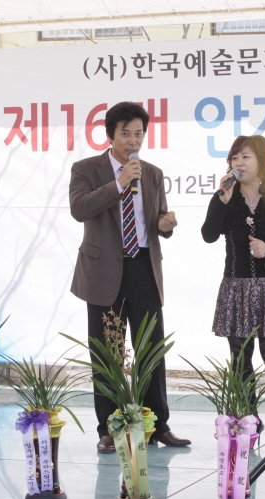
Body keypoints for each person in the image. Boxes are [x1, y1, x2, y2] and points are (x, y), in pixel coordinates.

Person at [69, 101, 190, 452]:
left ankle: (158, 426)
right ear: (110, 135)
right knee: (107, 353)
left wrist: (165, 224)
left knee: (151, 349)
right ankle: (109, 428)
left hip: (142, 267)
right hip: (103, 271)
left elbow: (157, 219)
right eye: (126, 133)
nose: (133, 141)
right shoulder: (86, 169)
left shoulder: (152, 173)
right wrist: (118, 183)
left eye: (139, 133)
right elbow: (80, 209)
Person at [201, 135, 265, 449]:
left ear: (262, 161)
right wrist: (221, 201)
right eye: (234, 158)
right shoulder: (225, 196)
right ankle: (249, 422)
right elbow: (208, 235)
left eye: (245, 157)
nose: (239, 163)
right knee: (240, 357)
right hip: (237, 285)